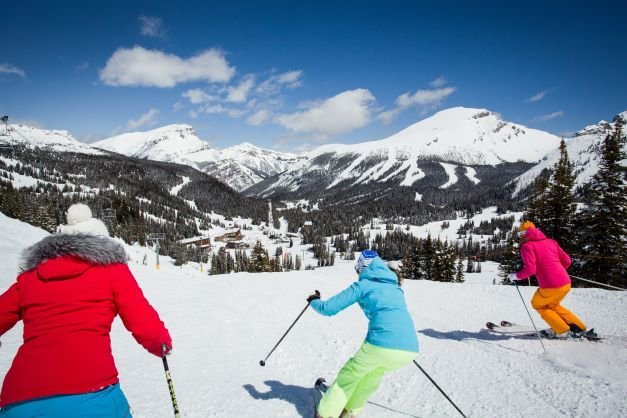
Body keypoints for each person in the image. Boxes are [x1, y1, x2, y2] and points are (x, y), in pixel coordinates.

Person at [0, 203, 172, 417]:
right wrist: (160, 343)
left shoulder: (30, 278)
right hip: (92, 393)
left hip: (20, 399)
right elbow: (142, 319)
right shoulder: (112, 271)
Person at [308, 250, 418, 418]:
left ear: (363, 268)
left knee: (350, 374)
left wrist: (314, 301)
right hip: (409, 348)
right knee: (371, 375)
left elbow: (328, 309)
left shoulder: (364, 285)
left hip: (381, 344)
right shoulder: (395, 286)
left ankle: (326, 414)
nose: (358, 274)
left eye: (357, 270)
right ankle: (350, 412)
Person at [508, 221, 593, 339]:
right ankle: (579, 327)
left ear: (523, 234)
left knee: (538, 304)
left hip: (550, 285)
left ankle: (562, 330)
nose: (520, 238)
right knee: (553, 305)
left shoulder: (527, 246)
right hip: (565, 282)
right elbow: (567, 261)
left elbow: (530, 269)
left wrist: (515, 276)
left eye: (520, 235)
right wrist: (556, 271)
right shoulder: (551, 242)